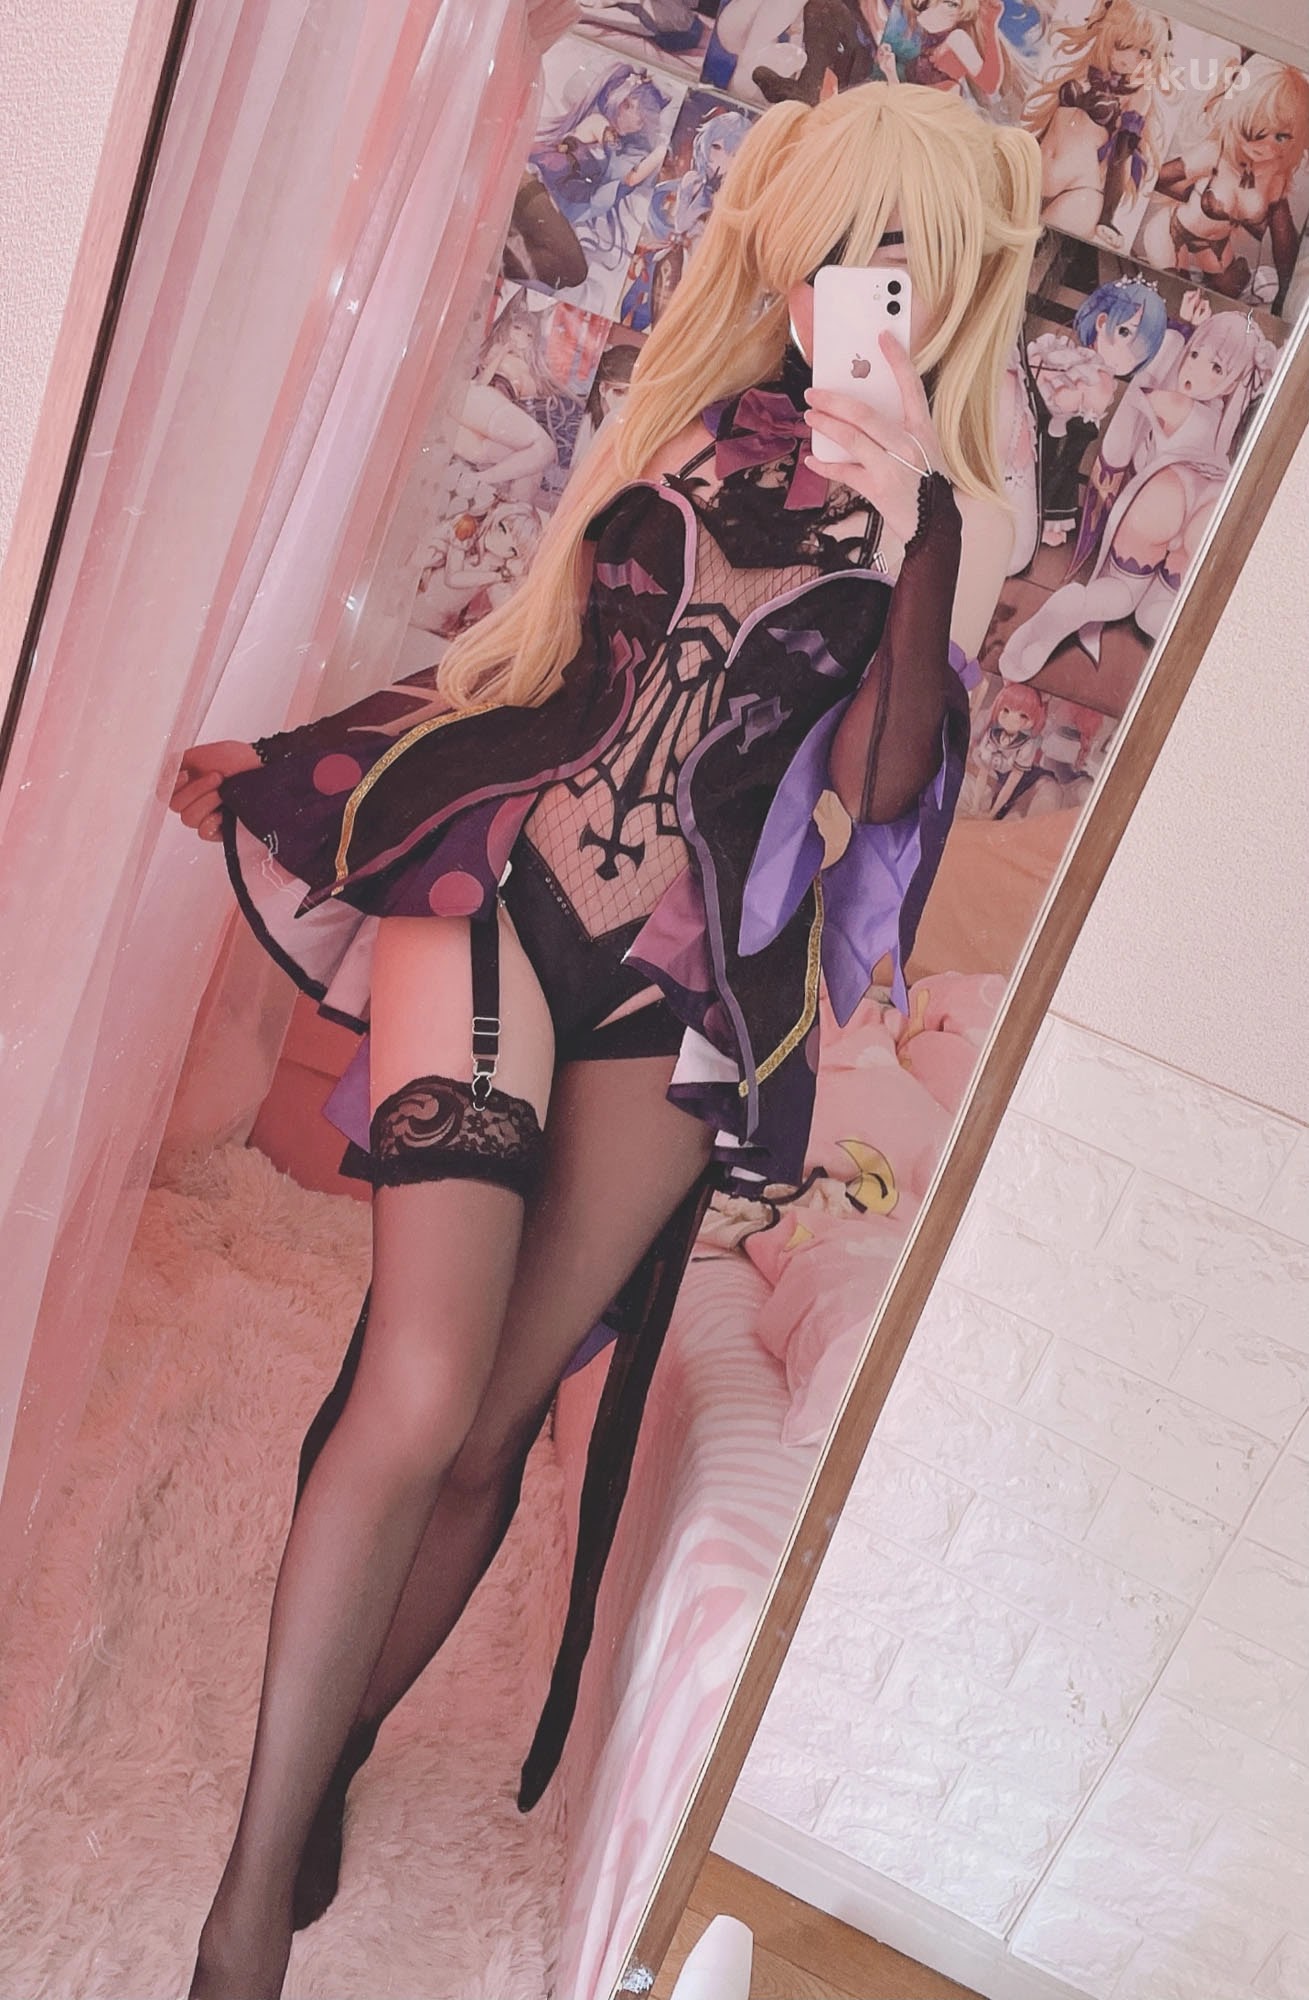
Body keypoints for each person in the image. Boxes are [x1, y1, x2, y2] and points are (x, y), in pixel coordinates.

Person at [170, 81, 1040, 2000]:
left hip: (685, 989)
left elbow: (884, 780)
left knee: (491, 1421)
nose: (846, 289)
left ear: (957, 282)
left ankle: (333, 1750)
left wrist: (906, 530)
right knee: (416, 1385)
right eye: (827, 247)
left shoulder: (959, 512)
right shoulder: (681, 407)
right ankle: (243, 1921)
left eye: (893, 261)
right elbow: (531, 671)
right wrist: (307, 761)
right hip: (496, 895)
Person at [1136, 56, 1309, 315]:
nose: (1266, 146)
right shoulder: (1215, 154)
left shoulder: (1275, 179)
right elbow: (1154, 179)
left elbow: (1285, 245)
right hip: (1171, 231)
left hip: (1215, 245)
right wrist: (1192, 194)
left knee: (1228, 293)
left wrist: (1285, 295)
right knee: (1175, 301)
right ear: (1240, 117)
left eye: (1281, 137)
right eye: (1256, 131)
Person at [1022, 0, 1173, 247]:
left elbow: (1122, 156)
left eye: (1144, 52)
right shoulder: (1090, 68)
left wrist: (1107, 217)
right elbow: (1054, 126)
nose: (1130, 58)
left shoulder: (1138, 94)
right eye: (1125, 44)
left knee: (1027, 255)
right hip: (1033, 174)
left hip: (1079, 194)